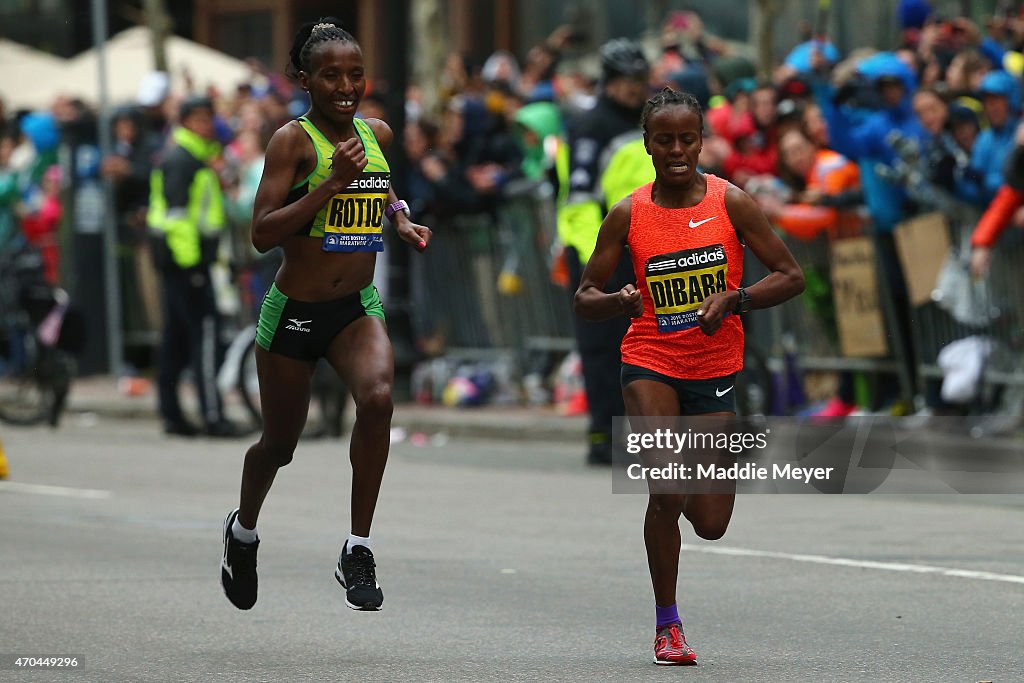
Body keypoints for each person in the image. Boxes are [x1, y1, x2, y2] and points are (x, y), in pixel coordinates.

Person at [574, 89, 804, 665]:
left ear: (702, 140)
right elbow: (585, 296)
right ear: (647, 144)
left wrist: (737, 298)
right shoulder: (629, 212)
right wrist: (619, 300)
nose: (677, 150)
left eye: (688, 139)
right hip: (649, 359)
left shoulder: (733, 203)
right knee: (666, 486)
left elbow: (791, 275)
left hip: (715, 369)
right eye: (664, 140)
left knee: (710, 521)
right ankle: (667, 624)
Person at [219, 19, 431, 612]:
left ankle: (357, 547)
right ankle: (242, 532)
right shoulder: (292, 140)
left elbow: (380, 186)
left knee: (380, 399)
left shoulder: (378, 132)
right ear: (305, 80)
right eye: (331, 75)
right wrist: (330, 183)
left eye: (355, 74)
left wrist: (399, 217)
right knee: (279, 445)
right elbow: (262, 233)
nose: (346, 86)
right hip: (294, 312)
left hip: (354, 307)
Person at [560, 37, 653, 465]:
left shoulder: (649, 121)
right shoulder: (591, 124)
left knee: (644, 348)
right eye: (629, 81)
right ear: (611, 83)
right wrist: (595, 260)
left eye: (641, 80)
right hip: (599, 254)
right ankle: (604, 435)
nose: (636, 89)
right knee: (603, 349)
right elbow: (578, 201)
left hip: (646, 252)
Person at [146, 96, 242, 438]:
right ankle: (213, 415)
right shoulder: (183, 159)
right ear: (185, 122)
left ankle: (172, 414)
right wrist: (193, 268)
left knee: (177, 338)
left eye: (207, 118)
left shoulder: (195, 157)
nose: (205, 125)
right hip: (187, 264)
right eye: (198, 119)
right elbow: (177, 219)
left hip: (181, 263)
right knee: (204, 334)